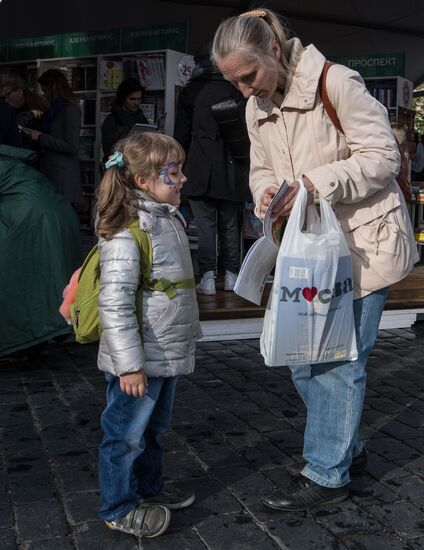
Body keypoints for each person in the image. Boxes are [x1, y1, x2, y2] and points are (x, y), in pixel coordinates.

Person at [212, 8, 418, 511]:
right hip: (306, 253)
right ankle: (348, 447)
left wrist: (314, 183)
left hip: (364, 247)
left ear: (275, 53)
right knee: (303, 362)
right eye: (234, 81)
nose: (244, 90)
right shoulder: (254, 105)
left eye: (249, 76)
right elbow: (260, 168)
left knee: (337, 365)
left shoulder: (337, 81)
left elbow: (383, 156)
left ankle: (327, 473)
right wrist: (264, 193)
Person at [95, 131, 201, 539]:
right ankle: (117, 506)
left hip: (163, 351)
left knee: (155, 429)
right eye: (174, 172)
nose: (183, 180)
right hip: (138, 360)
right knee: (125, 436)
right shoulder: (127, 233)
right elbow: (116, 304)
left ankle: (148, 489)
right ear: (142, 180)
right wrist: (130, 366)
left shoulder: (166, 217)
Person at [174, 49, 251, 295]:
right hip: (232, 167)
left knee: (205, 225)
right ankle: (231, 276)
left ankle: (207, 277)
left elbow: (180, 137)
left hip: (199, 166)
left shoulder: (190, 93)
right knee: (230, 224)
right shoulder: (237, 90)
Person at [0, 143, 82, 359]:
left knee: (18, 279)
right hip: (54, 219)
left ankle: (26, 337)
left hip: (32, 221)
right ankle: (44, 331)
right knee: (44, 279)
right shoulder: (14, 164)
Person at [22, 69, 82, 205]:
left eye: (46, 90)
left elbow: (72, 146)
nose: (44, 94)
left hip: (63, 178)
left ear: (55, 88)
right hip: (49, 173)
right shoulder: (51, 111)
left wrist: (41, 137)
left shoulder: (70, 110)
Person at [101, 77, 148, 165]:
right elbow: (109, 151)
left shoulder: (141, 117)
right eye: (132, 99)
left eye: (139, 99)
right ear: (123, 99)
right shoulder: (112, 120)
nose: (136, 103)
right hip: (120, 167)